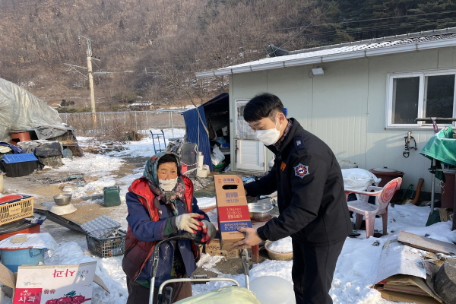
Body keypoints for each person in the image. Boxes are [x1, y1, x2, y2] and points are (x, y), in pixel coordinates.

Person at [232, 93, 352, 304]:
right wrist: (242, 190)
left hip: (322, 231)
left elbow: (304, 209)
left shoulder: (306, 154)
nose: (258, 134)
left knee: (316, 294)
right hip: (303, 230)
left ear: (279, 118)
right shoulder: (285, 146)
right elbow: (274, 179)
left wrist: (261, 234)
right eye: (253, 129)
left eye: (260, 127)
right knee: (301, 284)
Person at [122, 152, 215, 304]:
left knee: (181, 301)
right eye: (163, 171)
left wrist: (205, 224)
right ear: (152, 171)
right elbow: (140, 229)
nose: (169, 177)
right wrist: (174, 223)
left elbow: (196, 212)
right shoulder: (138, 195)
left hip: (181, 265)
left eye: (173, 171)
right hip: (148, 266)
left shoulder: (183, 191)